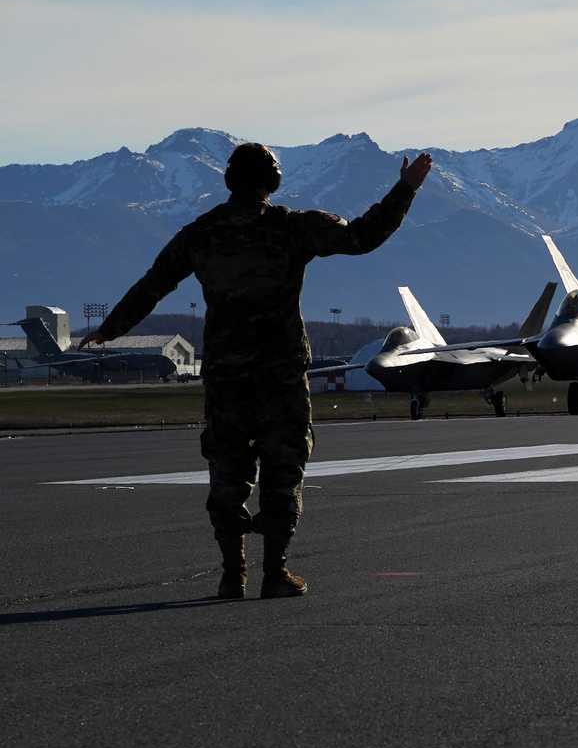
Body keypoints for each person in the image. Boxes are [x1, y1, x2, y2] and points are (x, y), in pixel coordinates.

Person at [81, 142, 433, 600]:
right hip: (280, 373)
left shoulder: (201, 233)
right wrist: (405, 190)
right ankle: (275, 571)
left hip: (226, 376)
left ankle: (233, 573)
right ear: (273, 181)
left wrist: (110, 329)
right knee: (283, 469)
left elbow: (153, 284)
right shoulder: (293, 227)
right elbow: (363, 236)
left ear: (230, 180)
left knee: (228, 473)